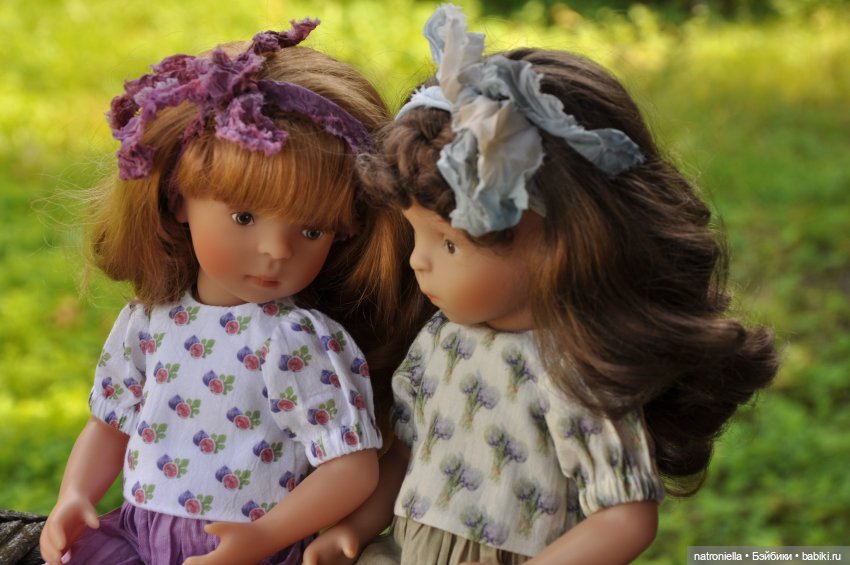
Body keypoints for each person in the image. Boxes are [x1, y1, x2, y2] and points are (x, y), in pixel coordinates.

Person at [303, 4, 778, 564]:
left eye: (449, 243)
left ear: (561, 244)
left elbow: (625, 516)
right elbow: (408, 452)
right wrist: (356, 527)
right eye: (416, 236)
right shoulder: (440, 341)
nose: (418, 263)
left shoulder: (574, 370)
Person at [39, 17, 430, 565]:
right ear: (178, 198)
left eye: (311, 230)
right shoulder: (149, 320)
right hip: (137, 531)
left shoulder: (297, 341)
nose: (276, 250)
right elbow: (109, 423)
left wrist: (265, 537)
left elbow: (351, 466)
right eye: (244, 216)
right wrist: (75, 495)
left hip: (250, 547)